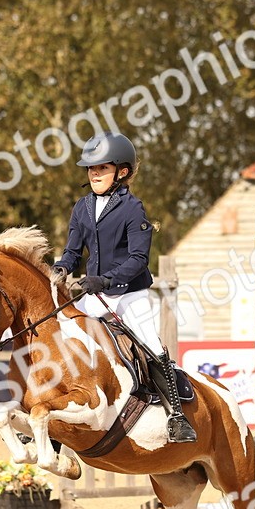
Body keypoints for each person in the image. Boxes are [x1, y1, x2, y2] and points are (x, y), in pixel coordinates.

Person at [50, 131, 197, 443]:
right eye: (91, 169)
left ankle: (177, 416)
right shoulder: (82, 207)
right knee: (62, 343)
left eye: (101, 168)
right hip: (94, 296)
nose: (94, 174)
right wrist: (63, 266)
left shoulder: (133, 208)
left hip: (130, 294)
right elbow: (74, 251)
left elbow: (139, 259)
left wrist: (106, 280)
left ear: (122, 171)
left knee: (152, 348)